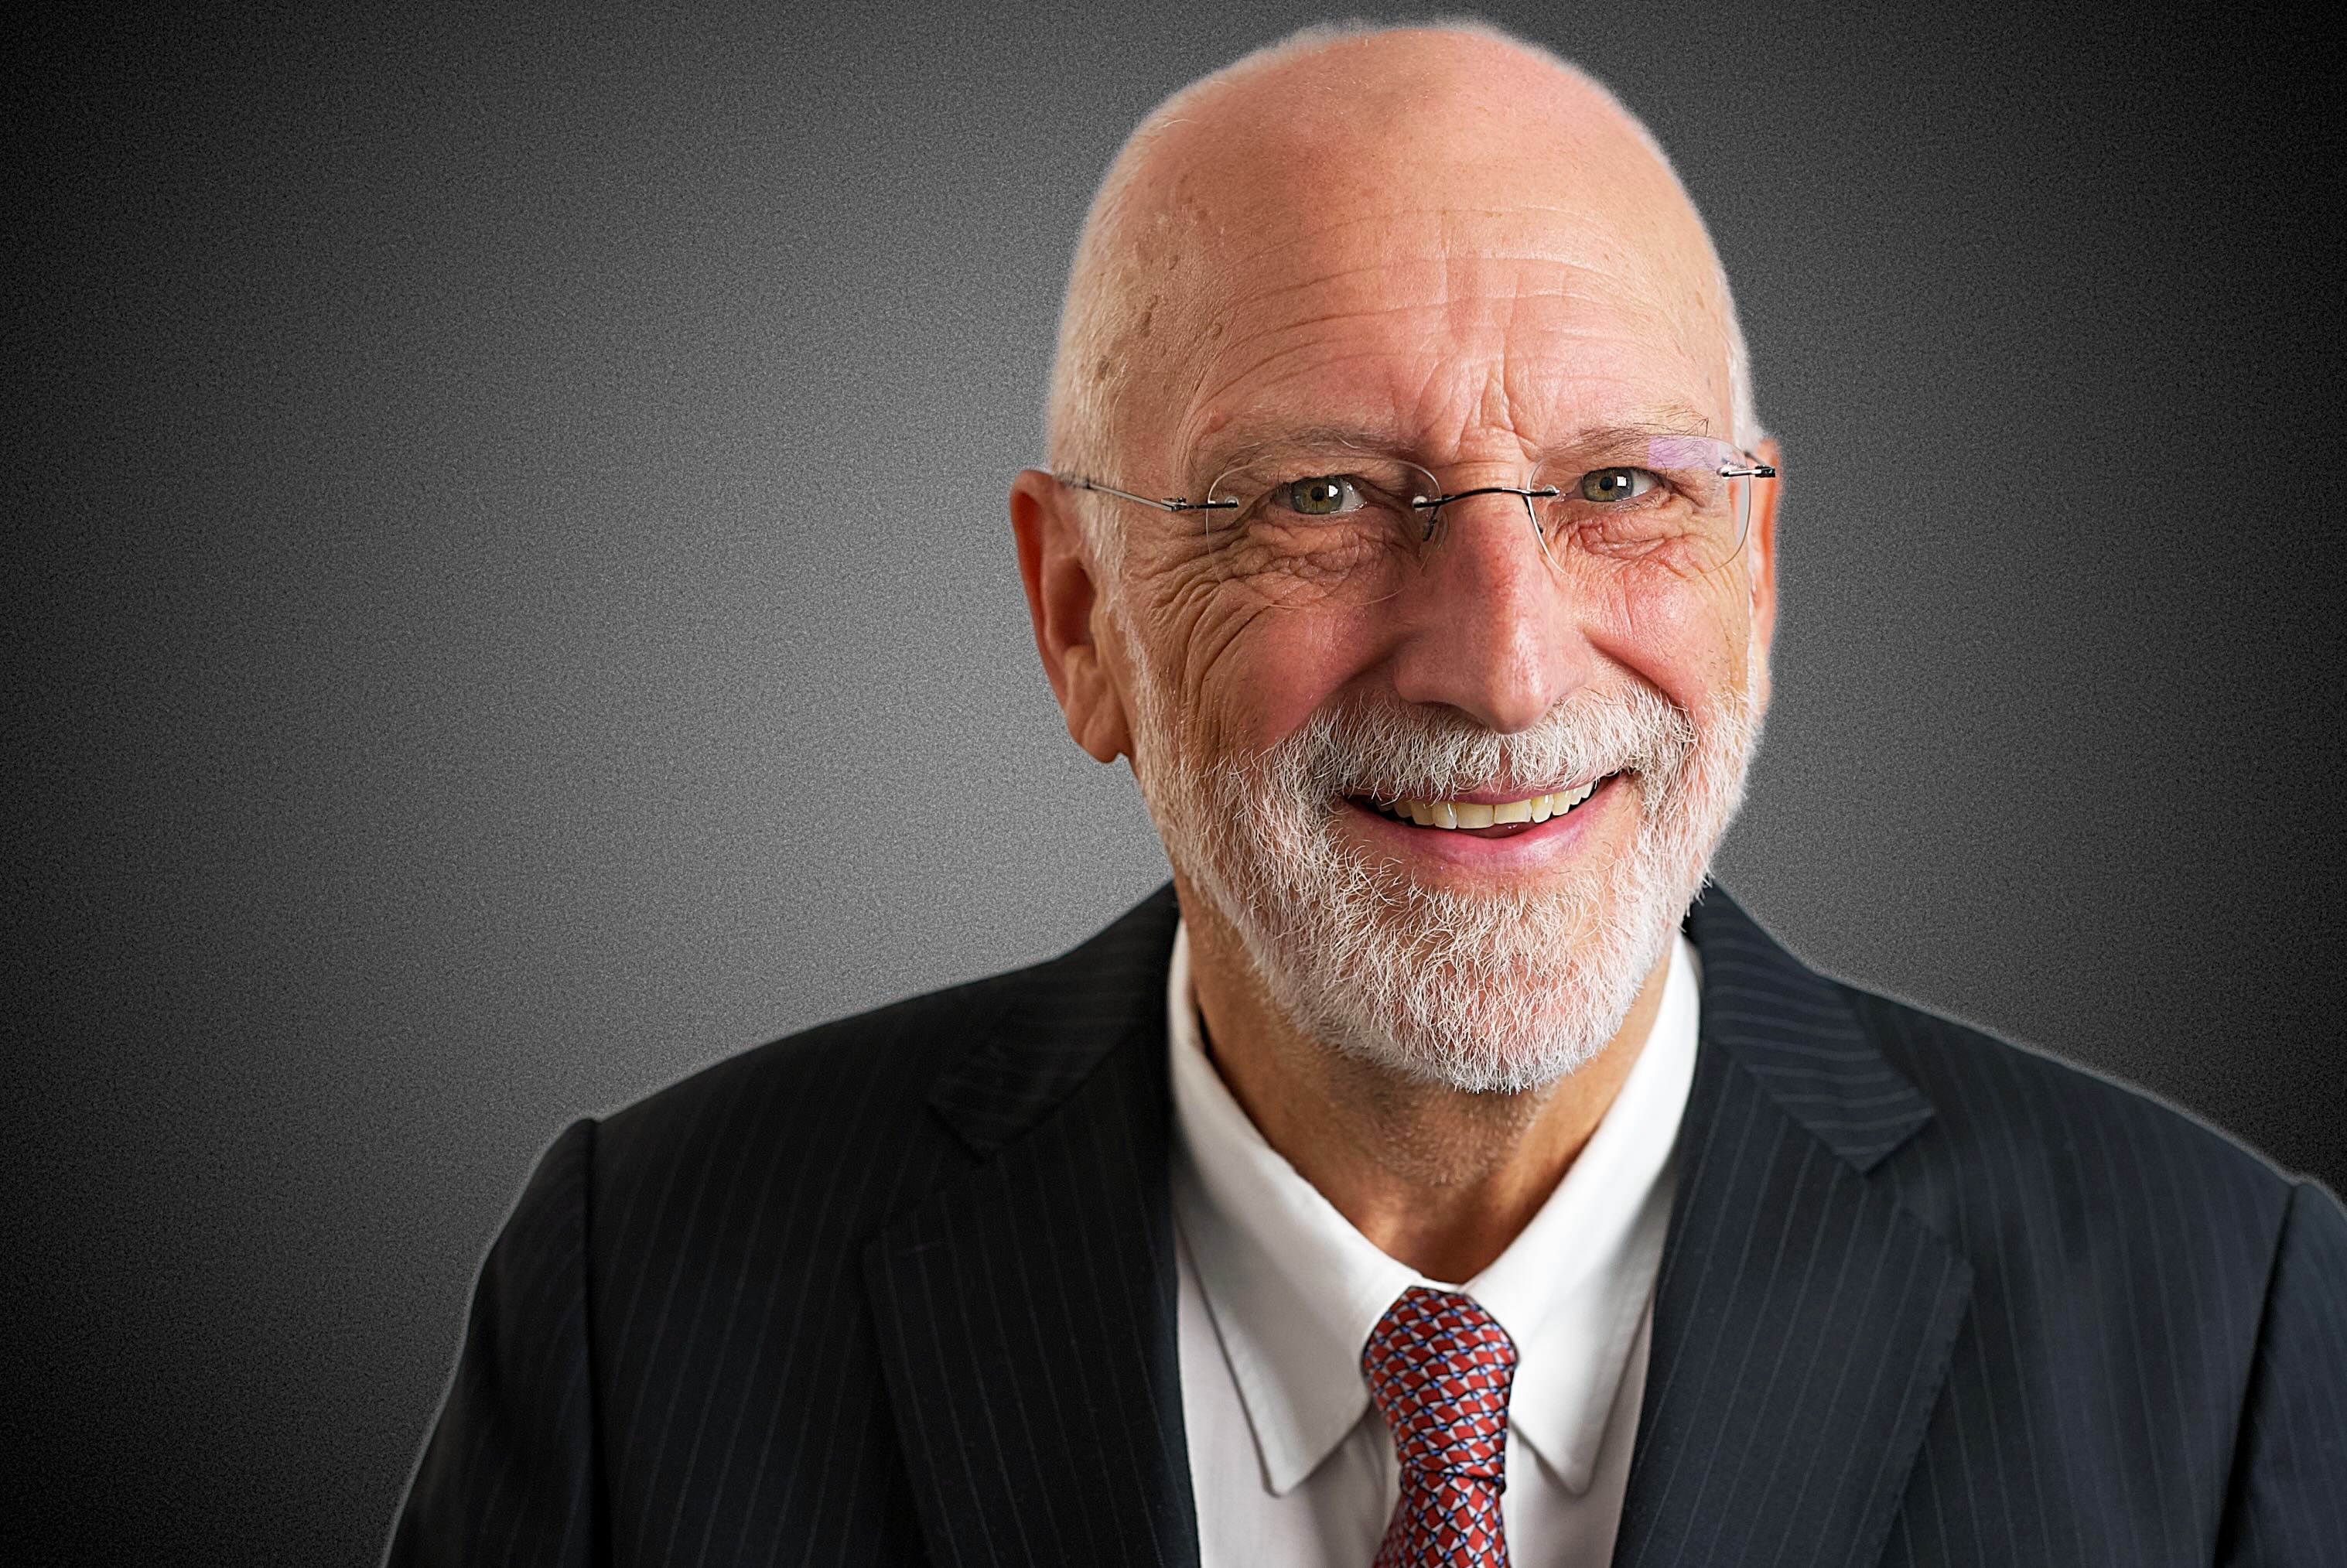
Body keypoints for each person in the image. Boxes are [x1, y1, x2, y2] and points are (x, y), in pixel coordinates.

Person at [389, 22, 2346, 1567]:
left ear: (1752, 577)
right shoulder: (641, 1304)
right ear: (1080, 619)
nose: (1504, 666)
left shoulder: (2222, 1323)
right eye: (1321, 496)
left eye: (1618, 487)